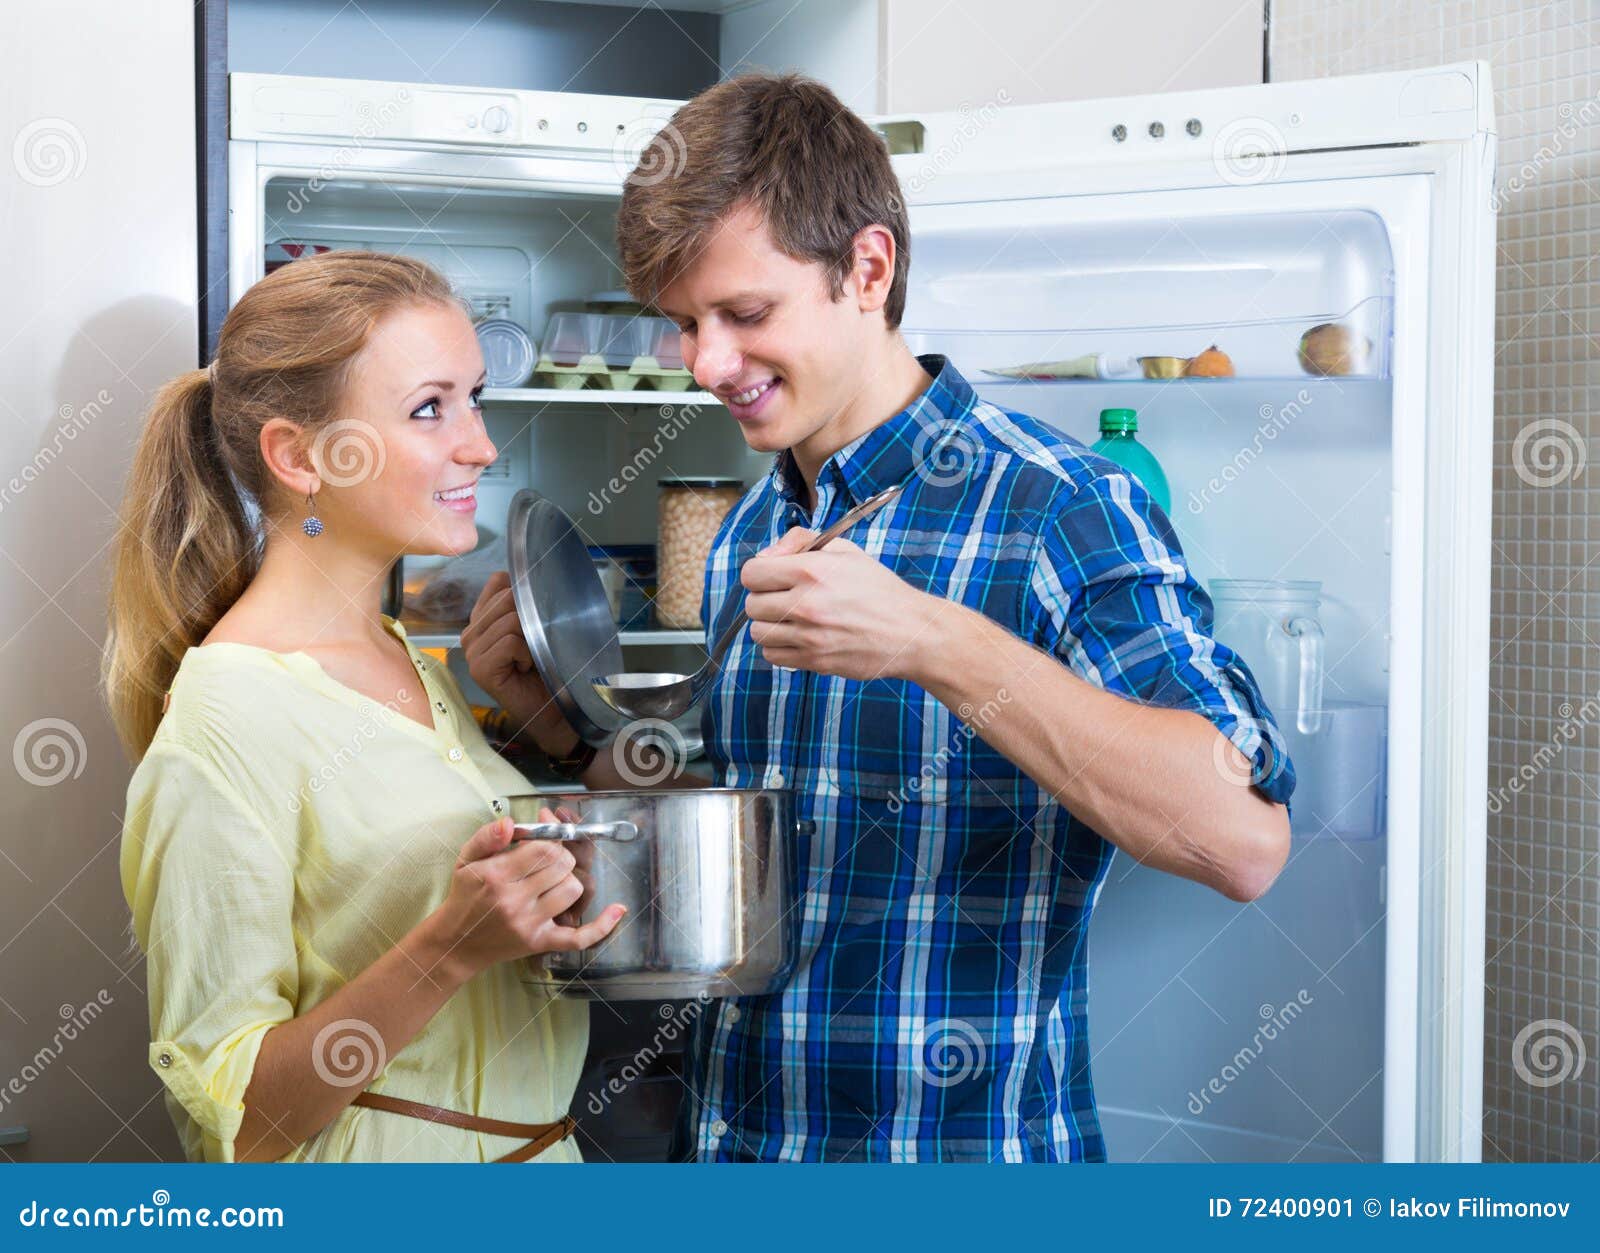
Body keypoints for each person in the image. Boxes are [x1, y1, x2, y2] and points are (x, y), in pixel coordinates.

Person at [463, 73, 1296, 1162]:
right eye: (684, 325)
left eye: (745, 314)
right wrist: (564, 730)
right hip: (738, 1149)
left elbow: (1240, 840)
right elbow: (745, 821)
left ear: (867, 267)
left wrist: (933, 642)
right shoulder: (754, 524)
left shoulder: (1058, 507)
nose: (707, 365)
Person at [106, 251, 623, 1163]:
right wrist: (447, 949)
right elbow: (241, 1125)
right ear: (300, 455)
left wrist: (551, 733)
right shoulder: (224, 718)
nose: (480, 444)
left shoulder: (405, 656)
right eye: (430, 408)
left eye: (476, 398)